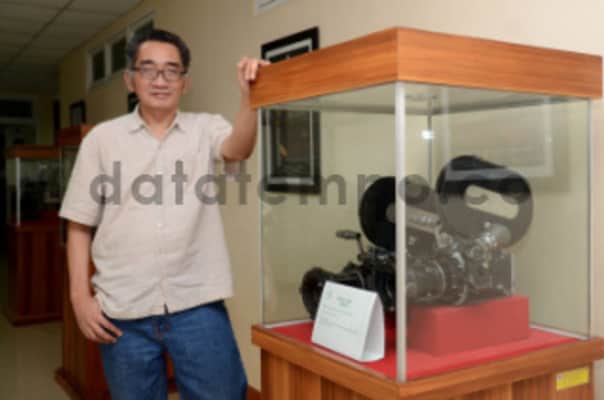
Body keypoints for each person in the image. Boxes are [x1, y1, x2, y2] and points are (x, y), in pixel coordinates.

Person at [59, 29, 268, 400]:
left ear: (185, 82)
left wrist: (250, 99)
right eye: (148, 69)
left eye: (172, 70)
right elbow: (79, 224)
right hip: (122, 310)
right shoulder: (101, 140)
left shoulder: (206, 128)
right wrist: (80, 298)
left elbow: (237, 149)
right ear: (130, 79)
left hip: (197, 305)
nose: (160, 80)